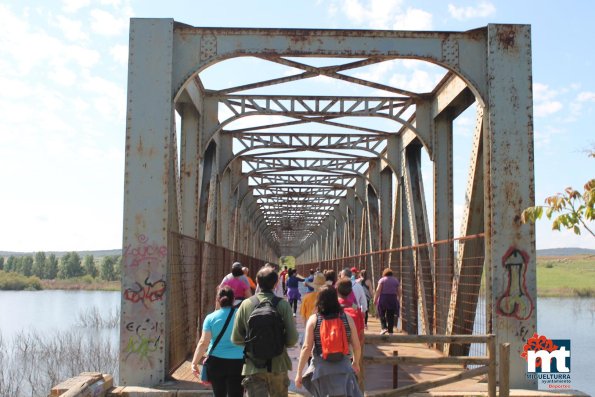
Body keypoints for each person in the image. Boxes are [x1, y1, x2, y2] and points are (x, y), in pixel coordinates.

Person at [232, 266, 298, 397]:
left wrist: (254, 344)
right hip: (278, 364)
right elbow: (292, 340)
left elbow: (236, 338)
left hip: (253, 365)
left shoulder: (246, 305)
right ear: (276, 283)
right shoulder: (283, 305)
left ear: (256, 281)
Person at [295, 285, 363, 397]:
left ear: (319, 300)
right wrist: (355, 362)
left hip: (321, 370)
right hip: (344, 367)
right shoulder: (347, 318)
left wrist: (299, 373)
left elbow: (307, 347)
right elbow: (356, 345)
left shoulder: (314, 320)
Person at [191, 286, 244, 397]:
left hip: (216, 361)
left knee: (219, 393)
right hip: (238, 361)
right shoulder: (242, 315)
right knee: (237, 393)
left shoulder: (210, 318)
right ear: (233, 299)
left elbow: (203, 343)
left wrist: (194, 363)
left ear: (217, 299)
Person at [374, 267, 401, 335]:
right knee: (391, 315)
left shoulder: (382, 280)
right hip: (392, 298)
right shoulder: (395, 280)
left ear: (384, 274)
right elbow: (399, 291)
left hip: (384, 298)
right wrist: (398, 298)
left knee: (382, 313)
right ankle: (390, 331)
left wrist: (375, 299)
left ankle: (384, 328)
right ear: (391, 274)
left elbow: (378, 291)